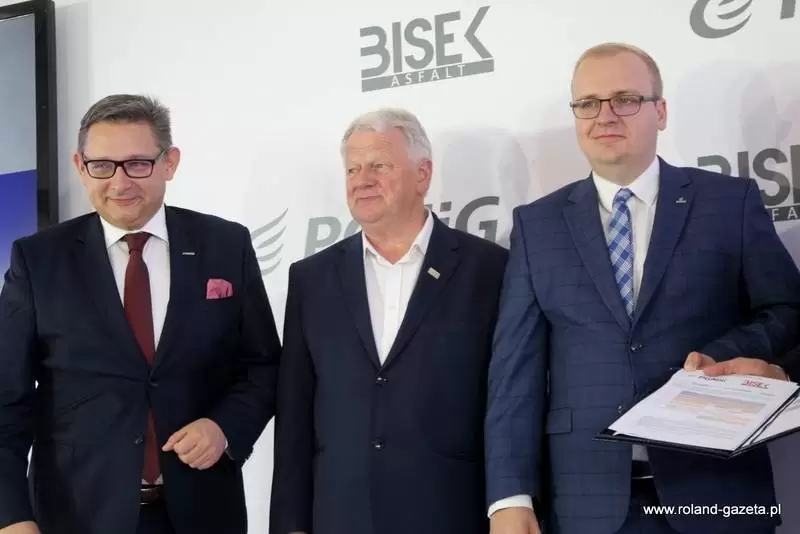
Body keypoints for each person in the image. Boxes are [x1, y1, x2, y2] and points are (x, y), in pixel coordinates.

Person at [485, 43, 800, 534]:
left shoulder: (728, 202)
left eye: (625, 99)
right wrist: (509, 496)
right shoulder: (536, 225)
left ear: (661, 111)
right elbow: (515, 371)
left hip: (718, 491)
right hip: (587, 500)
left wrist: (721, 355)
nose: (604, 115)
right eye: (588, 103)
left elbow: (786, 310)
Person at [0, 94, 281, 534]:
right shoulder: (38, 260)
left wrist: (224, 428)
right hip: (76, 518)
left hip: (205, 513)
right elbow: (6, 400)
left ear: (169, 163)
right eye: (102, 165)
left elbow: (262, 366)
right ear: (80, 166)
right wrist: (12, 518)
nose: (119, 182)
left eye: (137, 164)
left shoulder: (226, 245)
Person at [269, 108, 508, 534]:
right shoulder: (311, 279)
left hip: (452, 513)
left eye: (379, 165)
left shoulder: (489, 270)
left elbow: (510, 403)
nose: (362, 180)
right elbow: (294, 418)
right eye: (352, 169)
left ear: (423, 174)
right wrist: (290, 525)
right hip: (340, 517)